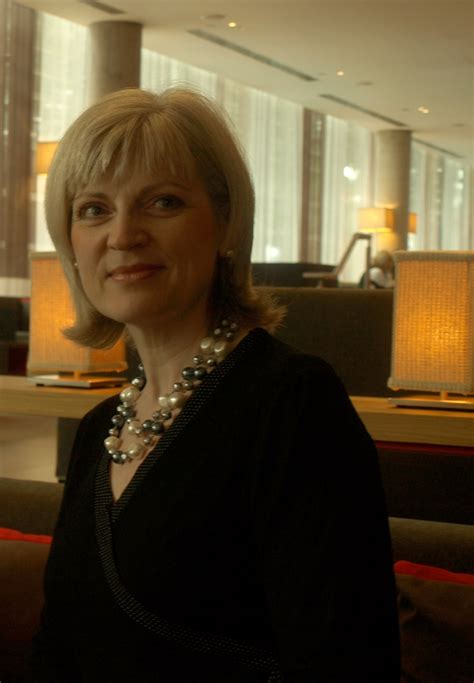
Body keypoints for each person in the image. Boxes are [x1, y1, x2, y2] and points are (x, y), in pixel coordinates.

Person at [31, 87, 400, 682]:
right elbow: (59, 646)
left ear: (225, 224)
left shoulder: (292, 401)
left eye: (163, 202)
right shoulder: (100, 428)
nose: (123, 235)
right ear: (71, 242)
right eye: (94, 209)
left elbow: (345, 662)